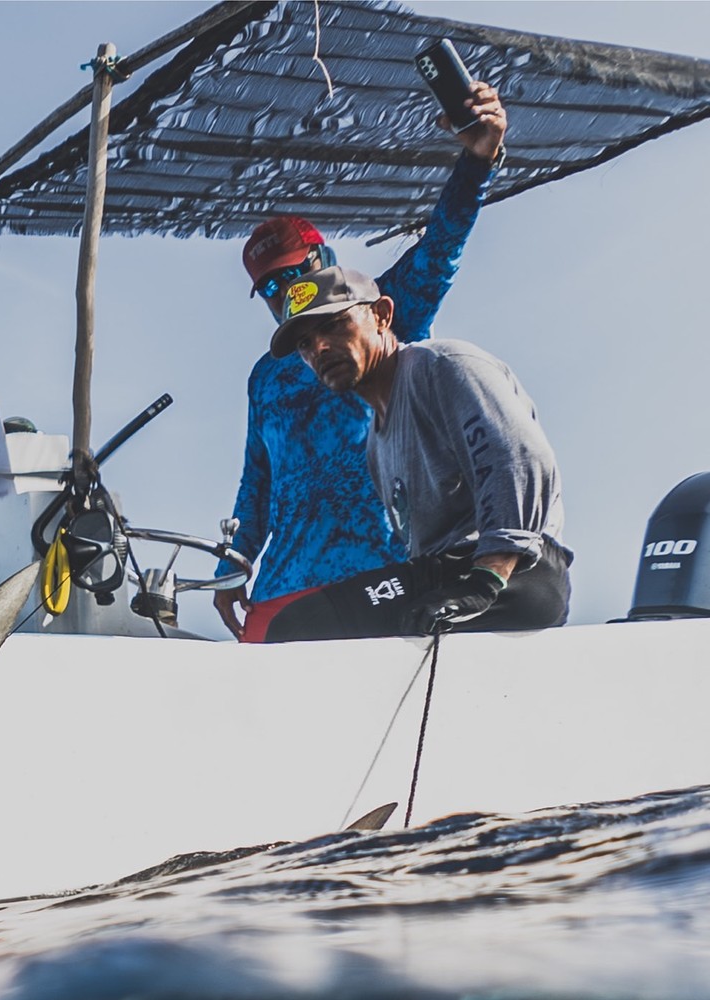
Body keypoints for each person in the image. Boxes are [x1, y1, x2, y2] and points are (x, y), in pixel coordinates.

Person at [214, 82, 509, 643]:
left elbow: (440, 248)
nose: (284, 293)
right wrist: (233, 563)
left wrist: (477, 161)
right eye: (269, 287)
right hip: (284, 588)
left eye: (293, 273)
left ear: (324, 261)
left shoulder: (371, 312)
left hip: (383, 577)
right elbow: (258, 481)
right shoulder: (266, 376)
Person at [259, 267, 569, 642]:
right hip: (444, 573)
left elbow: (517, 458)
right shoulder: (377, 444)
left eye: (335, 325)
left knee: (297, 626)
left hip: (515, 571)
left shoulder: (443, 366)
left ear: (382, 315)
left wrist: (488, 578)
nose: (319, 349)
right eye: (305, 344)